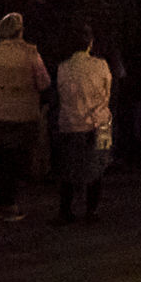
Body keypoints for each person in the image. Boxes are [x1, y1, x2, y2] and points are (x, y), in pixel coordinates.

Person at [0, 11, 50, 220]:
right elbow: (43, 82)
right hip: (24, 110)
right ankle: (10, 202)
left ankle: (3, 201)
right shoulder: (31, 53)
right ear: (20, 31)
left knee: (2, 157)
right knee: (17, 157)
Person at [53, 22, 114, 223]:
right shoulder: (101, 65)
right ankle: (92, 209)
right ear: (90, 43)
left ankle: (66, 209)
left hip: (71, 123)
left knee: (69, 167)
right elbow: (108, 92)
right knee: (100, 164)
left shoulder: (63, 68)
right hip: (101, 123)